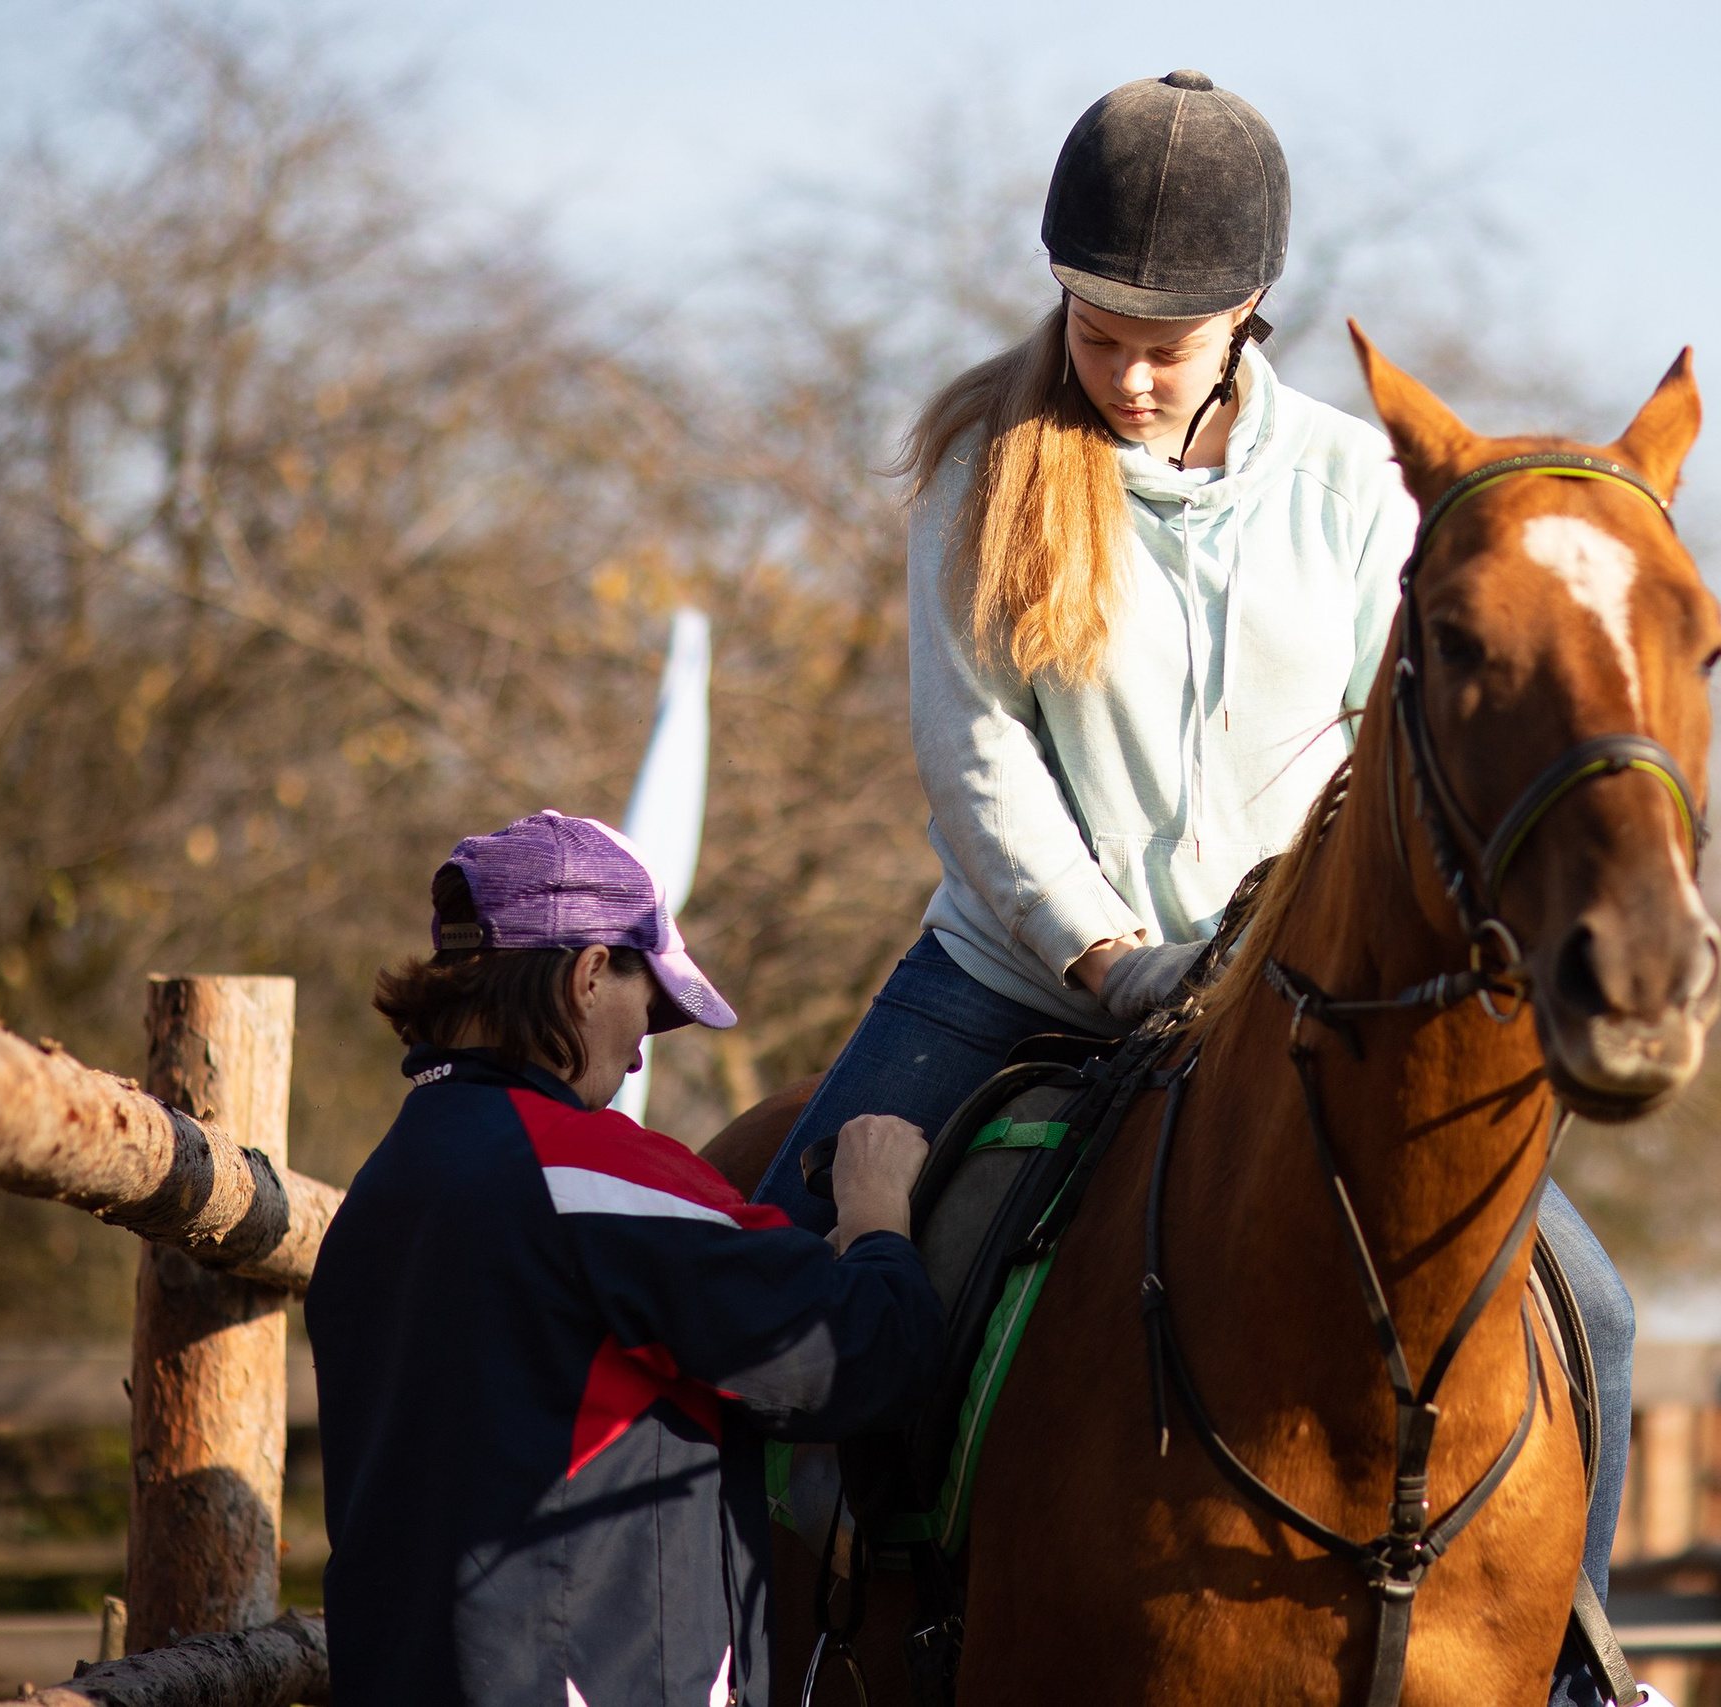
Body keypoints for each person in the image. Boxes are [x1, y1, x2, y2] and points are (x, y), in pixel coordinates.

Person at [747, 70, 1639, 1705]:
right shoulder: (981, 468)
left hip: (1291, 1001)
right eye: (1098, 330)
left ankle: (1579, 1659)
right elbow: (981, 764)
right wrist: (1103, 954)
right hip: (1018, 971)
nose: (1132, 371)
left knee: (1594, 1297)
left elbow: (1402, 758)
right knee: (780, 1242)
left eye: (1170, 338)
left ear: (1252, 311)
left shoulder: (1367, 493)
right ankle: (821, 1626)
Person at [309, 810, 942, 1707]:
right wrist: (878, 1216)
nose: (644, 1044)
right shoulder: (591, 1172)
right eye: (651, 1004)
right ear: (589, 974)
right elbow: (863, 1355)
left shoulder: (376, 1196)